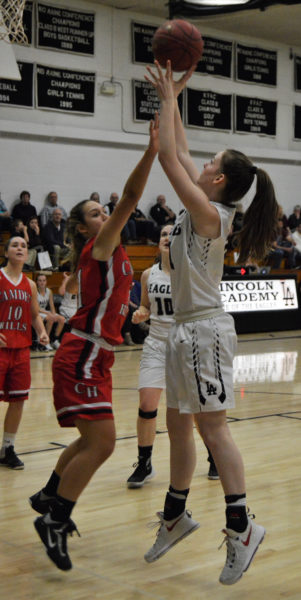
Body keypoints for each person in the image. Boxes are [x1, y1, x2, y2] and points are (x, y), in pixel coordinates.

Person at [143, 61, 278, 585]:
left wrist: (170, 101)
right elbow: (175, 152)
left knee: (213, 429)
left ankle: (242, 527)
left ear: (217, 179)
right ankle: (176, 514)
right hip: (182, 330)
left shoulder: (211, 215)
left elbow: (172, 162)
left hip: (203, 331)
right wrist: (171, 95)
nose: (200, 163)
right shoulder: (206, 203)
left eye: (209, 163)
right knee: (178, 423)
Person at [29, 116, 159, 572]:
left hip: (97, 357)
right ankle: (55, 520)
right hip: (81, 353)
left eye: (105, 213)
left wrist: (134, 316)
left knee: (90, 440)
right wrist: (151, 152)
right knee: (103, 444)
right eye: (96, 214)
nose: (106, 216)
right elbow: (130, 198)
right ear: (85, 229)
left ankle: (49, 493)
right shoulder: (97, 250)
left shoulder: (121, 255)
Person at [127, 224, 218, 488]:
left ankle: (213, 456)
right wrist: (141, 312)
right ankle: (144, 463)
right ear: (158, 243)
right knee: (147, 403)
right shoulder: (148, 275)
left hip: (185, 347)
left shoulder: (191, 273)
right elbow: (145, 304)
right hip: (155, 344)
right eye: (163, 234)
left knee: (194, 409)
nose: (167, 237)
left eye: (172, 234)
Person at [0, 237, 48, 469]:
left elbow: (35, 314)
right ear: (7, 251)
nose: (20, 248)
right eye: (15, 245)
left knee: (18, 400)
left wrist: (41, 332)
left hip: (20, 350)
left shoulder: (29, 284)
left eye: (23, 246)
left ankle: (7, 448)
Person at [36, 273, 65, 350]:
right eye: (40, 280)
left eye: (44, 280)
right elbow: (35, 308)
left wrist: (54, 314)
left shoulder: (49, 291)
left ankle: (55, 340)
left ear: (46, 282)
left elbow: (52, 306)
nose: (42, 282)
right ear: (37, 282)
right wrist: (48, 313)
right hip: (37, 312)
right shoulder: (34, 291)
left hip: (46, 312)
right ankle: (46, 341)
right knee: (50, 318)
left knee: (62, 319)